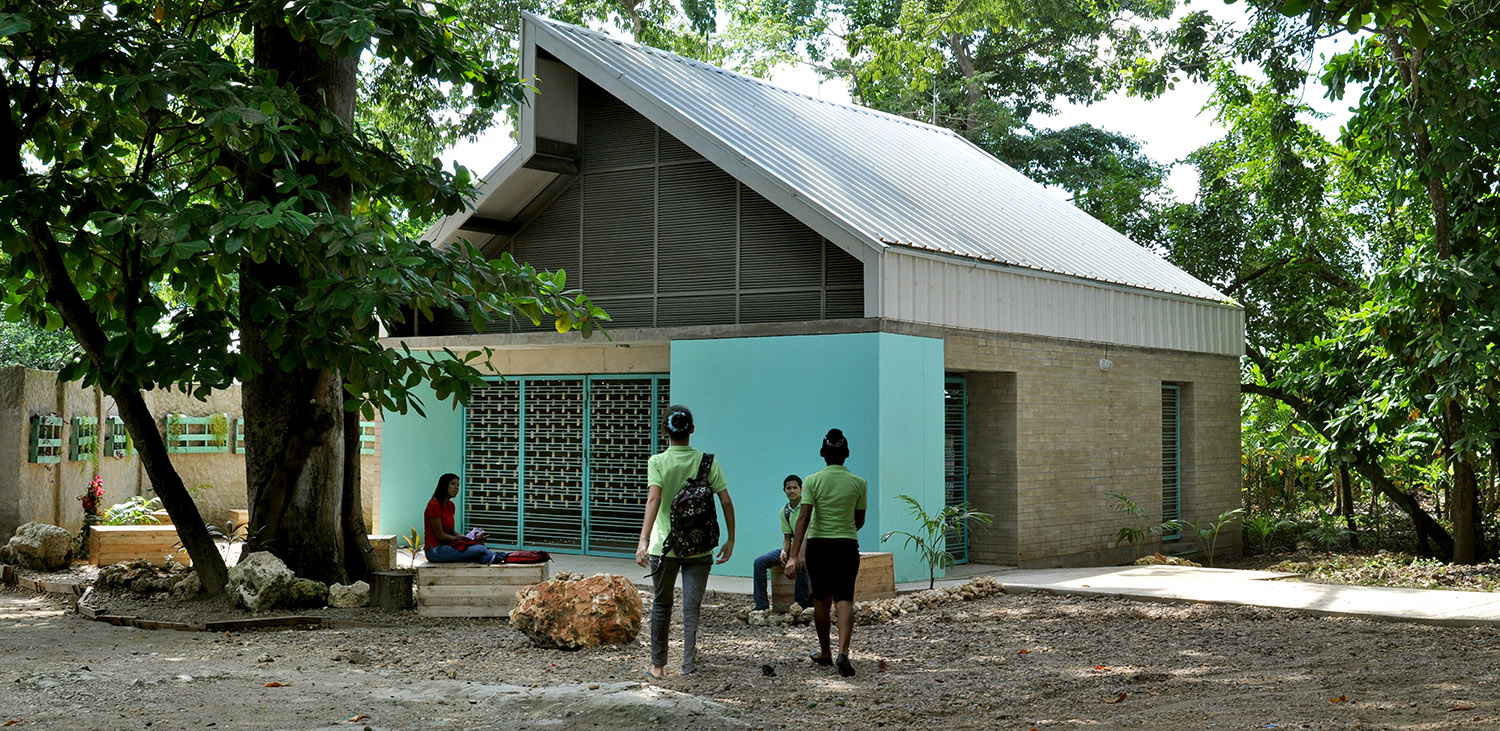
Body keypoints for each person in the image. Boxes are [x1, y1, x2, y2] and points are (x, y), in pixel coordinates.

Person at [635, 405, 736, 679]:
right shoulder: (708, 462)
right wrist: (730, 539)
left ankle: (657, 667)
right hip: (699, 546)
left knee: (661, 604)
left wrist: (643, 540)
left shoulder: (657, 462)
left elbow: (654, 499)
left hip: (663, 547)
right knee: (691, 607)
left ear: (665, 431)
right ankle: (688, 666)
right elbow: (725, 500)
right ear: (692, 429)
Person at [785, 428, 866, 678]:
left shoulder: (812, 481)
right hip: (846, 545)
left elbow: (804, 517)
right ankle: (844, 651)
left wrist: (793, 554)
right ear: (847, 454)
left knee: (821, 600)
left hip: (819, 545)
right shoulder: (859, 483)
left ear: (822, 453)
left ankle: (825, 653)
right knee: (845, 599)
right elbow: (859, 520)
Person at [751, 474, 812, 611]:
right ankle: (761, 606)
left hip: (808, 546)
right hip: (793, 547)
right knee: (759, 562)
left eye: (795, 488)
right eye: (788, 488)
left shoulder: (808, 507)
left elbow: (808, 535)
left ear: (801, 489)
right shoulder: (784, 511)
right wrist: (784, 551)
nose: (792, 491)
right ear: (784, 490)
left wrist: (798, 556)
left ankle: (800, 605)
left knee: (801, 563)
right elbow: (787, 537)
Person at [423, 473, 499, 564]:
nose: (456, 488)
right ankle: (498, 558)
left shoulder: (450, 505)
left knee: (479, 547)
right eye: (453, 484)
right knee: (479, 549)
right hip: (435, 551)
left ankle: (496, 558)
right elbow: (441, 536)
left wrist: (472, 538)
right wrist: (464, 541)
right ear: (444, 485)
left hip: (448, 546)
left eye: (458, 485)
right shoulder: (434, 505)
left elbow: (453, 532)